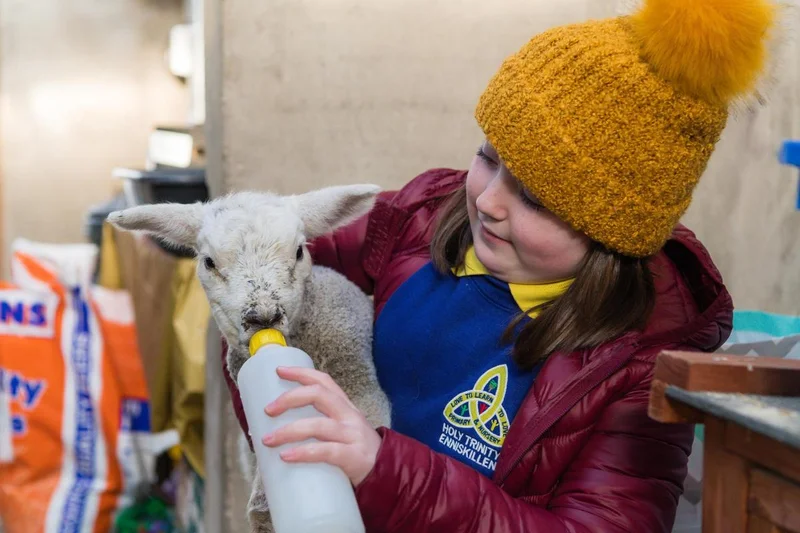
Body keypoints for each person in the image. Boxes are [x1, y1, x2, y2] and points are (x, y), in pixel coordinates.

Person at [222, 0, 777, 530]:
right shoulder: (424, 217)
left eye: (534, 198)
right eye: (488, 157)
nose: (487, 200)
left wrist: (380, 470)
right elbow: (276, 261)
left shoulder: (635, 372)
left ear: (611, 231)